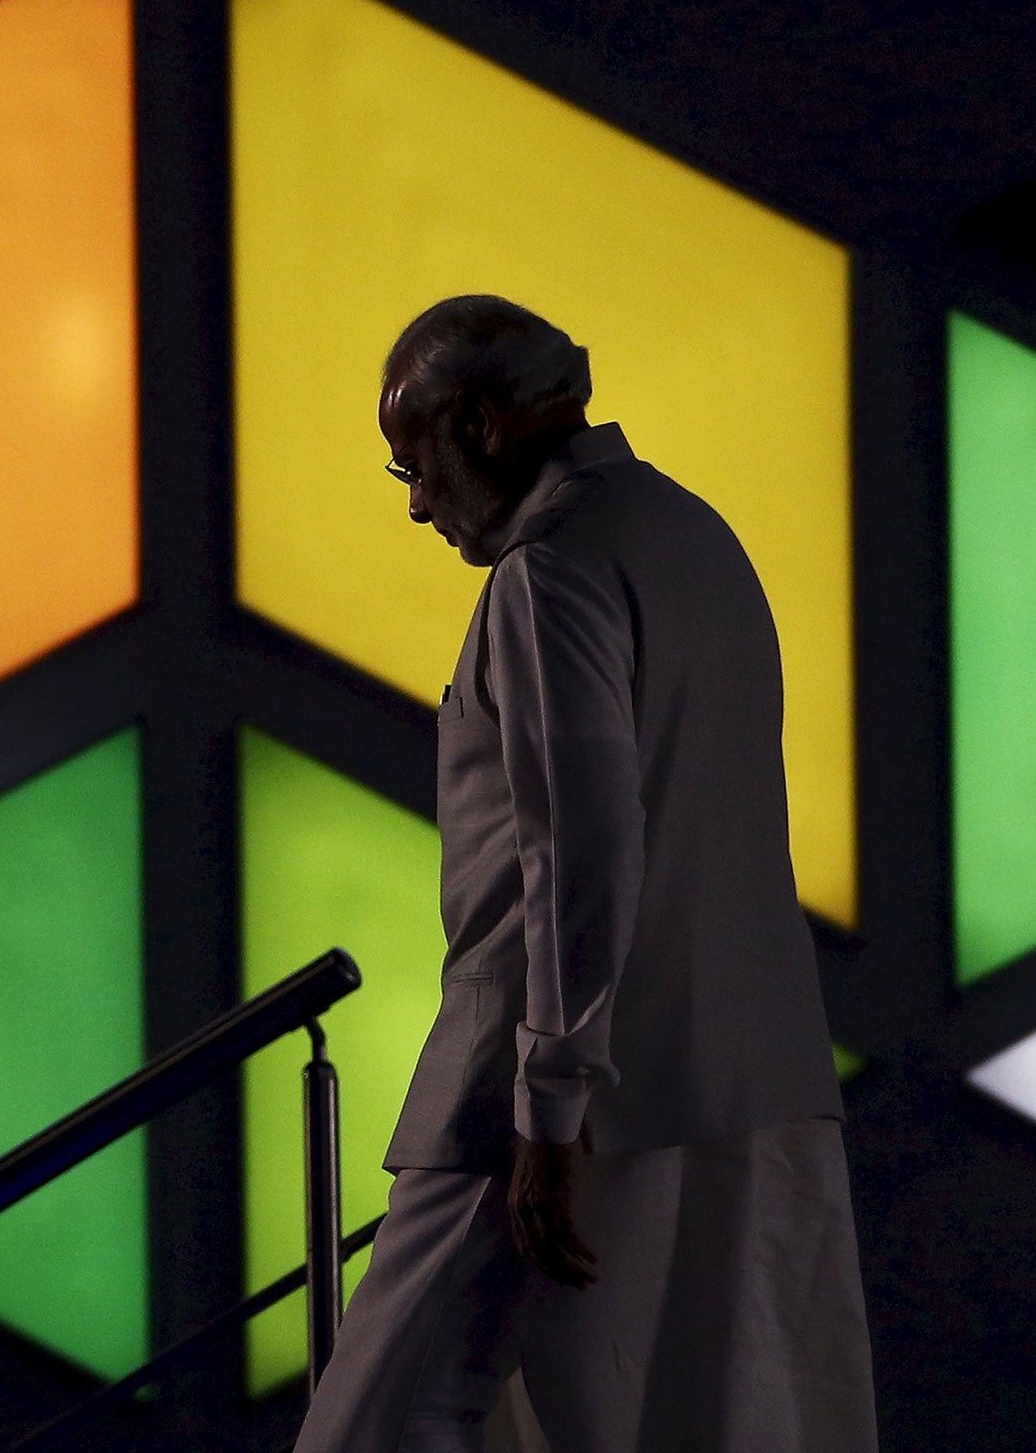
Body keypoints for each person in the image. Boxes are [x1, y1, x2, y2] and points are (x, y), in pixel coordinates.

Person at [291, 295, 878, 1453]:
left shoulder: (544, 574)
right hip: (735, 1075)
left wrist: (545, 1107)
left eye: (412, 463)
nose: (415, 503)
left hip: (541, 1091)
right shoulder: (692, 537)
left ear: (475, 423)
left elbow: (580, 850)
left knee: (375, 1424)